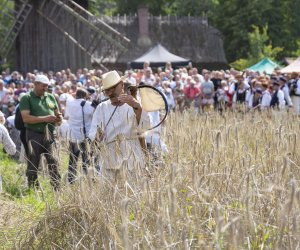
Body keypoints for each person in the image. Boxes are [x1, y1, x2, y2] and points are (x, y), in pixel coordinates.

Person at [89, 70, 150, 182]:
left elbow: (144, 129)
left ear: (121, 84)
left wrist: (136, 107)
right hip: (110, 163)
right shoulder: (102, 108)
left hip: (133, 161)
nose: (111, 92)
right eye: (107, 90)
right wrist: (97, 136)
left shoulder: (136, 104)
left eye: (113, 87)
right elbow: (93, 137)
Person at [19, 74, 62, 190]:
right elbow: (26, 118)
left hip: (50, 134)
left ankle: (57, 189)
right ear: (36, 84)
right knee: (34, 162)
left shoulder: (51, 97)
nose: (45, 88)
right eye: (43, 86)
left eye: (47, 86)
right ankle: (32, 188)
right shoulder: (26, 98)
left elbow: (58, 113)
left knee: (54, 161)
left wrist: (58, 118)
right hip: (34, 134)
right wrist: (45, 119)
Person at [64, 88, 95, 183]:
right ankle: (87, 179)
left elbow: (66, 115)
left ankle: (70, 179)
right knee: (86, 159)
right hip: (85, 136)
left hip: (73, 136)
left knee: (73, 159)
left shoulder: (69, 103)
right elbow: (93, 116)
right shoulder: (88, 105)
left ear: (75, 95)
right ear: (85, 96)